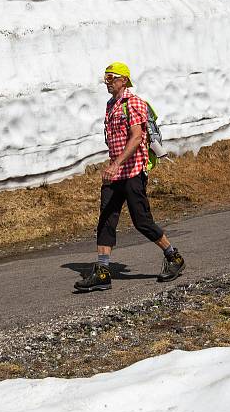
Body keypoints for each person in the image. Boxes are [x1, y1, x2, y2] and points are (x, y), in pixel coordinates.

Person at [74, 62, 185, 292]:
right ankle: (103, 271)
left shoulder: (133, 103)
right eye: (105, 77)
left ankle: (174, 257)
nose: (107, 81)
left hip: (133, 171)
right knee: (106, 219)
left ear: (124, 80)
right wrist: (113, 168)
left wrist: (116, 164)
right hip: (115, 174)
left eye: (111, 77)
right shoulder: (110, 105)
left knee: (141, 220)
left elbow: (136, 138)